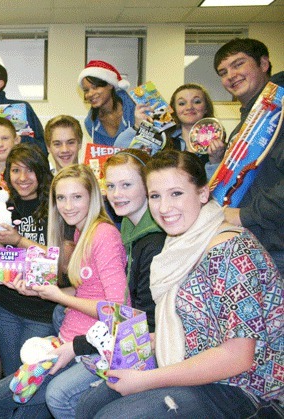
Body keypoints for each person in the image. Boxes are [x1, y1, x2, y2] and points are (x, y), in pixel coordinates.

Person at [75, 150, 283, 418]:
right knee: (88, 406)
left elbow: (238, 357)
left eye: (176, 194)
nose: (164, 208)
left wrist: (148, 379)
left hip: (246, 389)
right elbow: (194, 328)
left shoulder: (233, 250)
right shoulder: (181, 244)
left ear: (202, 194)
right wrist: (140, 343)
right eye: (155, 196)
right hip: (196, 365)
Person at [0, 164, 128, 419]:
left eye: (77, 197)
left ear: (93, 197)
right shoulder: (83, 231)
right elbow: (87, 291)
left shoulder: (104, 234)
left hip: (84, 349)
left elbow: (116, 308)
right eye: (61, 198)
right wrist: (40, 291)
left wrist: (57, 296)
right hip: (67, 341)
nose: (68, 206)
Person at [37, 150, 164, 418]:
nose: (117, 194)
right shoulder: (128, 227)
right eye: (112, 185)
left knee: (59, 395)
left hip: (138, 342)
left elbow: (120, 308)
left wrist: (60, 299)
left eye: (127, 185)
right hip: (116, 331)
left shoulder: (148, 239)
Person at [214, 38, 284, 273]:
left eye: (238, 64)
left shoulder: (277, 113)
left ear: (263, 63)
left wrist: (245, 214)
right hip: (256, 246)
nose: (230, 75)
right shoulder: (244, 126)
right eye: (223, 72)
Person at [0, 143, 56, 376]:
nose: (23, 177)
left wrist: (18, 240)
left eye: (30, 170)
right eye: (16, 170)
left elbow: (59, 260)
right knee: (10, 376)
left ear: (41, 172)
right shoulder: (3, 205)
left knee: (30, 378)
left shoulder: (56, 206)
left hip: (41, 309)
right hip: (5, 304)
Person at [77, 60, 135, 146]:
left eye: (95, 87)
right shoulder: (90, 124)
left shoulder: (135, 108)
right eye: (86, 90)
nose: (90, 94)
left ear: (110, 84)